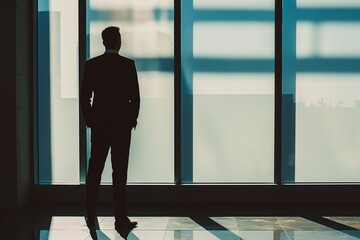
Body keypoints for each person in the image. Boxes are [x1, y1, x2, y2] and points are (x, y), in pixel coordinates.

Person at [80, 26, 140, 235]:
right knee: (119, 173)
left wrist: (90, 120)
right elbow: (135, 97)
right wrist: (131, 119)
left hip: (100, 126)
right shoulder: (128, 65)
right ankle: (120, 219)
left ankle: (90, 215)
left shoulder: (93, 65)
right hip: (122, 128)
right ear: (118, 41)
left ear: (104, 42)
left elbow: (85, 97)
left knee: (94, 171)